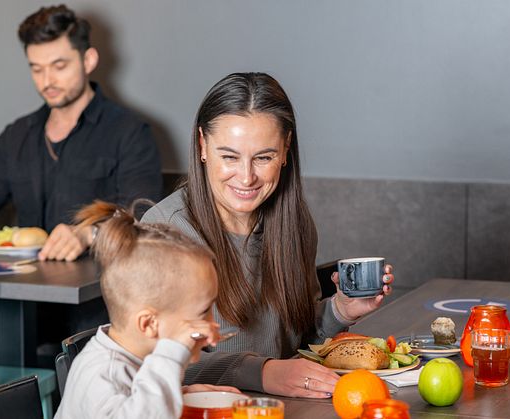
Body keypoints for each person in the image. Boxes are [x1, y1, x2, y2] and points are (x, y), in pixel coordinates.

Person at [141, 72, 395, 398]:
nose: (246, 178)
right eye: (229, 156)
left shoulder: (295, 224)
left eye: (264, 157)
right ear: (202, 145)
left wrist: (340, 311)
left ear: (286, 149)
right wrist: (263, 373)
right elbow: (151, 367)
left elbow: (294, 340)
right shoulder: (163, 232)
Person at [0, 4, 162, 261]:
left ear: (88, 60)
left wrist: (88, 234)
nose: (47, 81)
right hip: (24, 296)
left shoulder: (130, 132)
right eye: (36, 68)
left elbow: (142, 217)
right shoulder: (17, 136)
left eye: (59, 66)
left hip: (97, 300)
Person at [55, 201, 239, 419]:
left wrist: (179, 395)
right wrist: (172, 353)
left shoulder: (136, 355)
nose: (212, 323)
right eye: (203, 313)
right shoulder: (104, 374)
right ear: (149, 324)